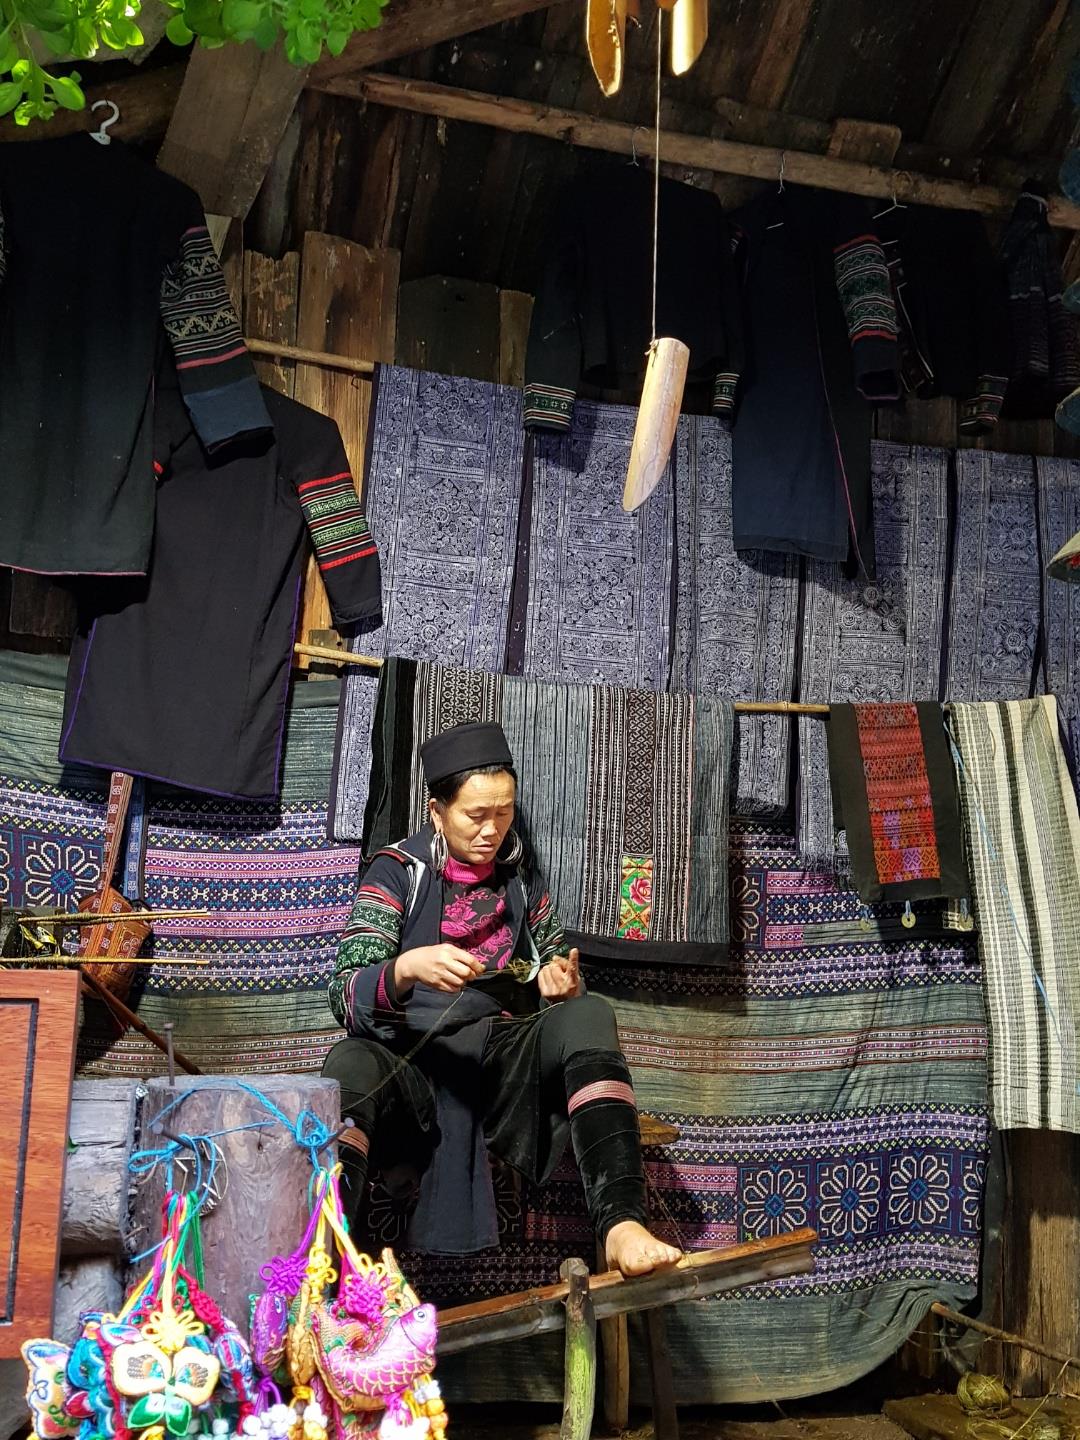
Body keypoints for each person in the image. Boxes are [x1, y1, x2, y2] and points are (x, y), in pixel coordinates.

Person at [324, 720, 682, 1276]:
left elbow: (559, 962)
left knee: (589, 1014)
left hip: (500, 1065)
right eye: (475, 815)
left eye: (505, 812)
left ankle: (620, 1224)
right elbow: (344, 993)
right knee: (349, 1064)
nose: (492, 830)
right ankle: (320, 1253)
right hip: (412, 1065)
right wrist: (407, 968)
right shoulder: (395, 873)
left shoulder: (520, 876)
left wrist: (563, 984)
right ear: (437, 811)